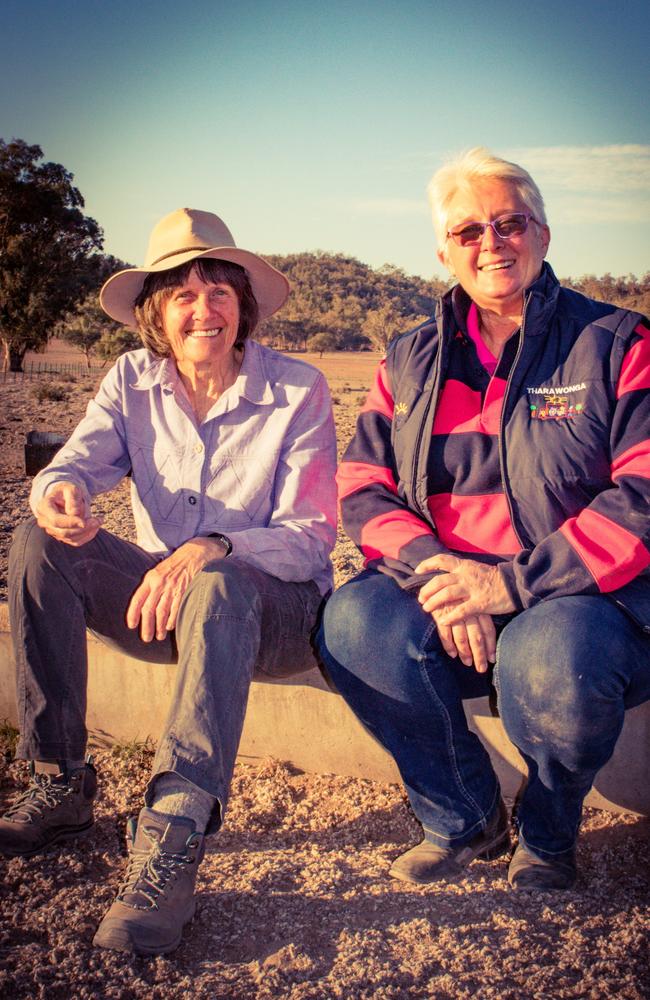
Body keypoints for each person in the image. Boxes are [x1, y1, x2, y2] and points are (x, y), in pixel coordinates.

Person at [2, 208, 337, 953]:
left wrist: (215, 546)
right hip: (165, 604)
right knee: (38, 541)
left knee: (217, 584)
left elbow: (311, 539)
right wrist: (58, 490)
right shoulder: (131, 379)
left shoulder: (298, 390)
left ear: (242, 306)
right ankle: (60, 779)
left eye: (218, 290)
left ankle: (171, 838)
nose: (202, 309)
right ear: (156, 312)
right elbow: (79, 460)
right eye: (181, 293)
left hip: (274, 612)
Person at [316, 148, 650, 891]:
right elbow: (363, 483)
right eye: (469, 231)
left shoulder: (620, 342)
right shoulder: (409, 357)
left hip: (579, 598)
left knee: (553, 657)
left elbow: (643, 500)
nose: (491, 243)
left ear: (544, 234)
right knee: (351, 625)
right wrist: (442, 575)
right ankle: (465, 816)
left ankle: (549, 828)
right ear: (444, 251)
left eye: (510, 223)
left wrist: (506, 588)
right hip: (448, 579)